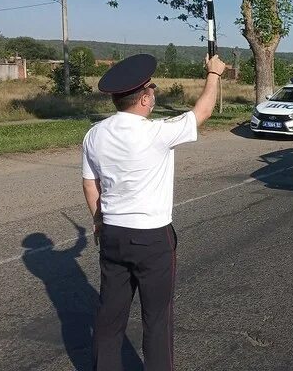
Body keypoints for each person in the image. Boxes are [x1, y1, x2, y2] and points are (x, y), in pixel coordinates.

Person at [83, 53, 226, 370]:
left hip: (112, 234)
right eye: (152, 89)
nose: (154, 94)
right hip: (152, 239)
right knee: (157, 320)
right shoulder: (157, 132)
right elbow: (202, 111)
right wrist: (213, 73)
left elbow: (90, 184)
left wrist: (98, 220)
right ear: (145, 99)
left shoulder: (94, 134)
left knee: (109, 316)